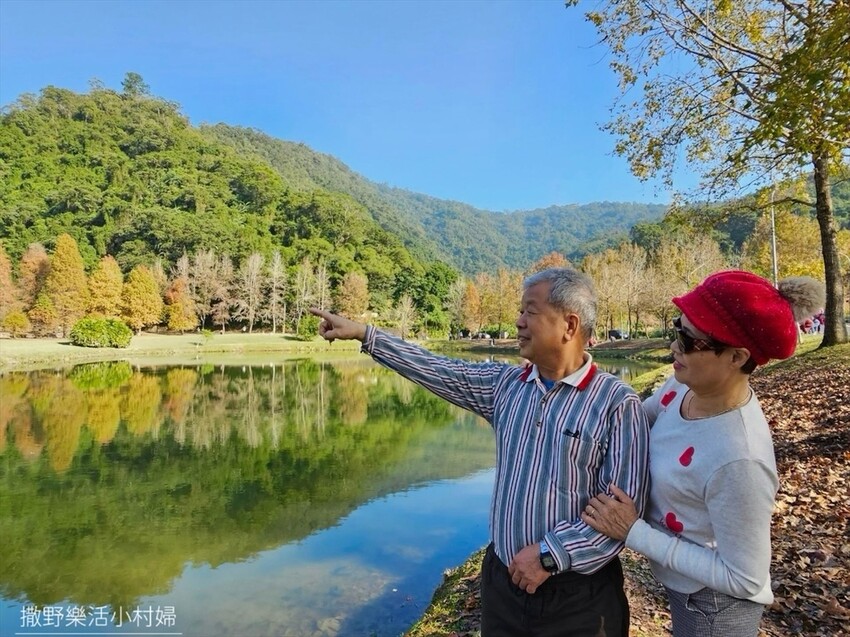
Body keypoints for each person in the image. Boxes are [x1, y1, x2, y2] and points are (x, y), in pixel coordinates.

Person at [311, 267, 650, 637]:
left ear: (569, 325)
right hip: (502, 586)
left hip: (578, 600)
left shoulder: (616, 403)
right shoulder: (507, 386)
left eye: (530, 312)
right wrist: (366, 334)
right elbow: (438, 369)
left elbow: (620, 516)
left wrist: (549, 556)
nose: (518, 322)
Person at [581, 270, 825, 637]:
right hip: (685, 589)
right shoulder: (682, 388)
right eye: (675, 328)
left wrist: (634, 531)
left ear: (736, 357)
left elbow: (745, 578)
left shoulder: (739, 459)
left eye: (688, 339)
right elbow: (632, 426)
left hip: (716, 609)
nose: (673, 347)